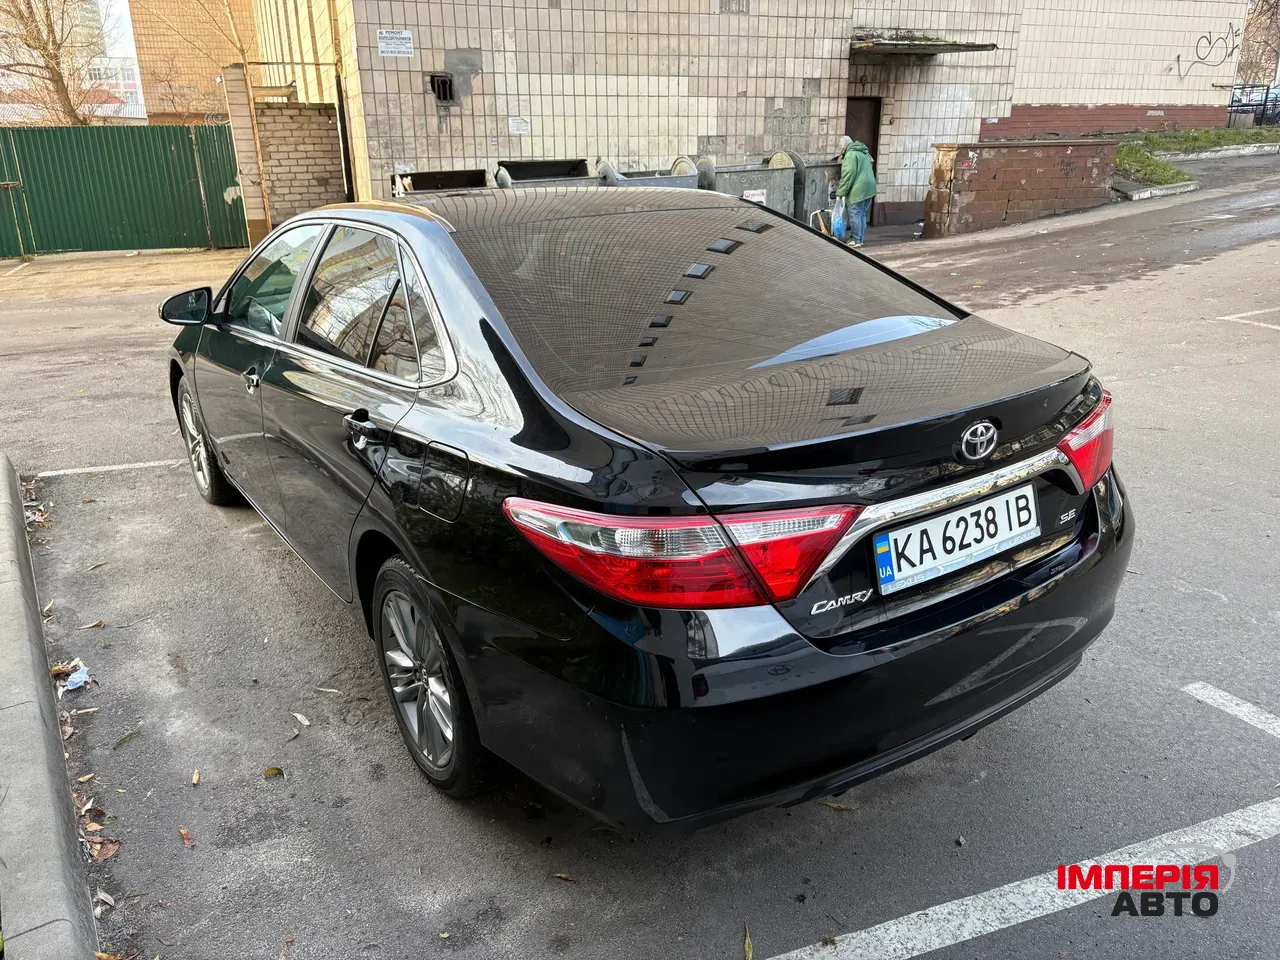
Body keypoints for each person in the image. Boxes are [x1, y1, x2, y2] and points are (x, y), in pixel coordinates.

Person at [835, 135, 877, 247]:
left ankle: (856, 240)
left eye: (841, 147)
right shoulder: (863, 152)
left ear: (844, 146)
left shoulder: (850, 155)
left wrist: (840, 192)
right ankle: (860, 239)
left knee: (855, 213)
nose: (841, 150)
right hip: (869, 187)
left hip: (859, 189)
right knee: (862, 214)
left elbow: (848, 175)